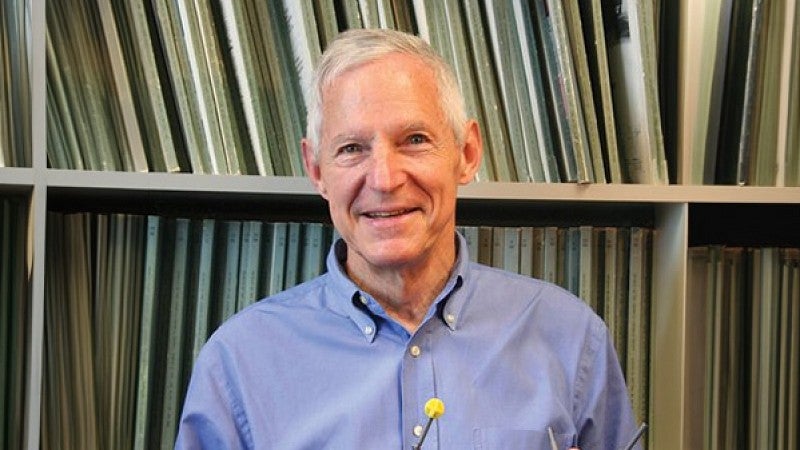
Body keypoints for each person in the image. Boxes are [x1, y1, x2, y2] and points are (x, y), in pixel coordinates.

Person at [176, 28, 641, 449]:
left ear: (467, 153)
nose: (384, 178)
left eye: (414, 139)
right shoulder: (238, 362)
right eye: (352, 148)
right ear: (317, 170)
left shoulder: (571, 339)